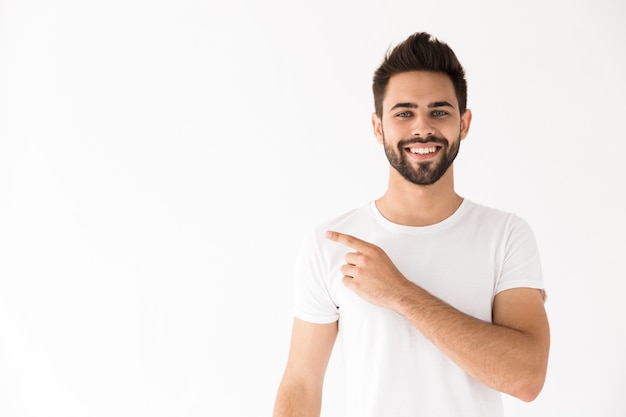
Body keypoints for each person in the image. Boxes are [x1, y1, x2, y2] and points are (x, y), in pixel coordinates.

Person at [272, 31, 550, 417]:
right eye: (404, 113)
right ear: (378, 126)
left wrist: (399, 293)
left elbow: (526, 378)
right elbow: (301, 384)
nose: (422, 128)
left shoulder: (505, 236)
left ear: (464, 123)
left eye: (439, 111)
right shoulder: (330, 243)